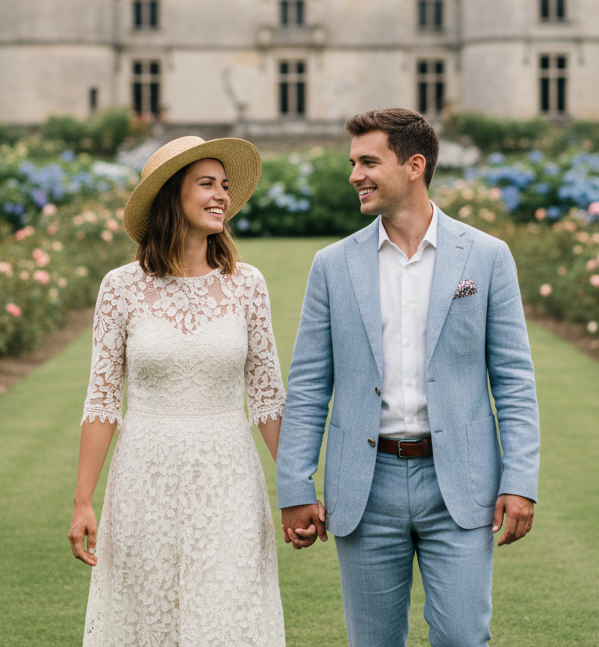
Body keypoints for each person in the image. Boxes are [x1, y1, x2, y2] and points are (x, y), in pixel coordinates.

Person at [276, 108, 540, 647]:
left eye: (369, 161)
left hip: (462, 486)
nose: (354, 175)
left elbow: (513, 379)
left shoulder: (487, 257)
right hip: (364, 488)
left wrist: (520, 480)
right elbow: (306, 387)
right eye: (353, 163)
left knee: (465, 639)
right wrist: (295, 486)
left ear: (415, 165)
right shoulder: (332, 265)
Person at [69, 135, 287, 647]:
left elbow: (268, 396)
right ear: (172, 195)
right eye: (206, 184)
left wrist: (298, 490)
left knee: (226, 619)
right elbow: (102, 399)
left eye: (225, 186)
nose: (221, 196)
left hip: (227, 477)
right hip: (145, 477)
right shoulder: (120, 287)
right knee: (149, 621)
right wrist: (83, 500)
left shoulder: (247, 284)